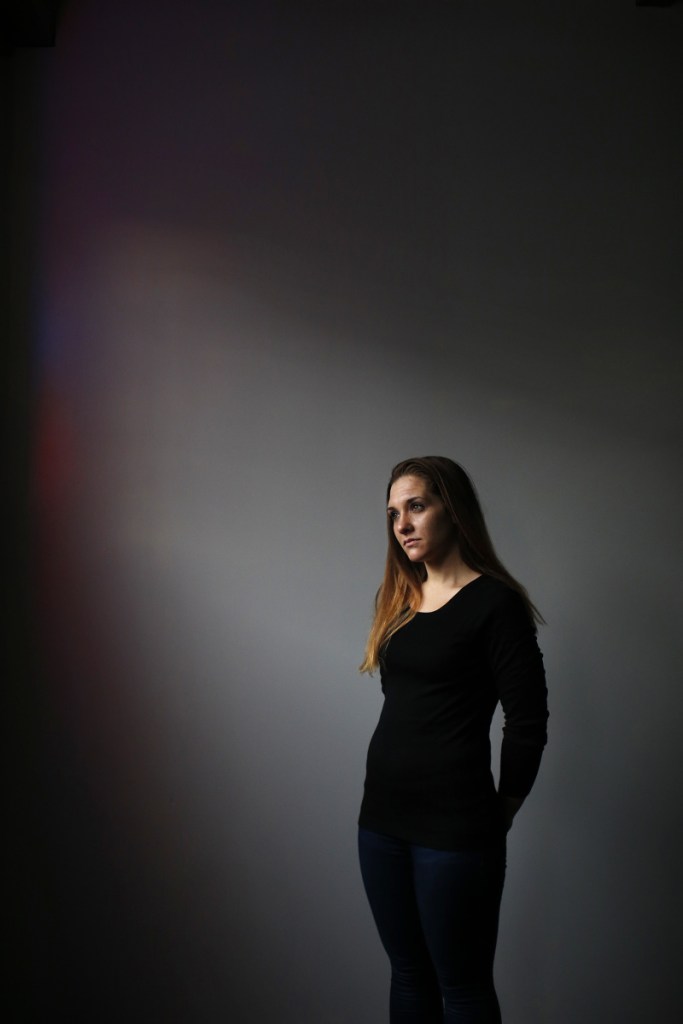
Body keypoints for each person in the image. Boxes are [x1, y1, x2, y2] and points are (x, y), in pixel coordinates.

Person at [358, 456, 548, 1024]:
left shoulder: (495, 604)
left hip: (455, 828)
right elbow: (407, 706)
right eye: (394, 513)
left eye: (417, 506)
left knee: (461, 988)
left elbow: (529, 721)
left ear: (453, 509)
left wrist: (503, 811)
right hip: (381, 820)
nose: (403, 524)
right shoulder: (396, 600)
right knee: (408, 974)